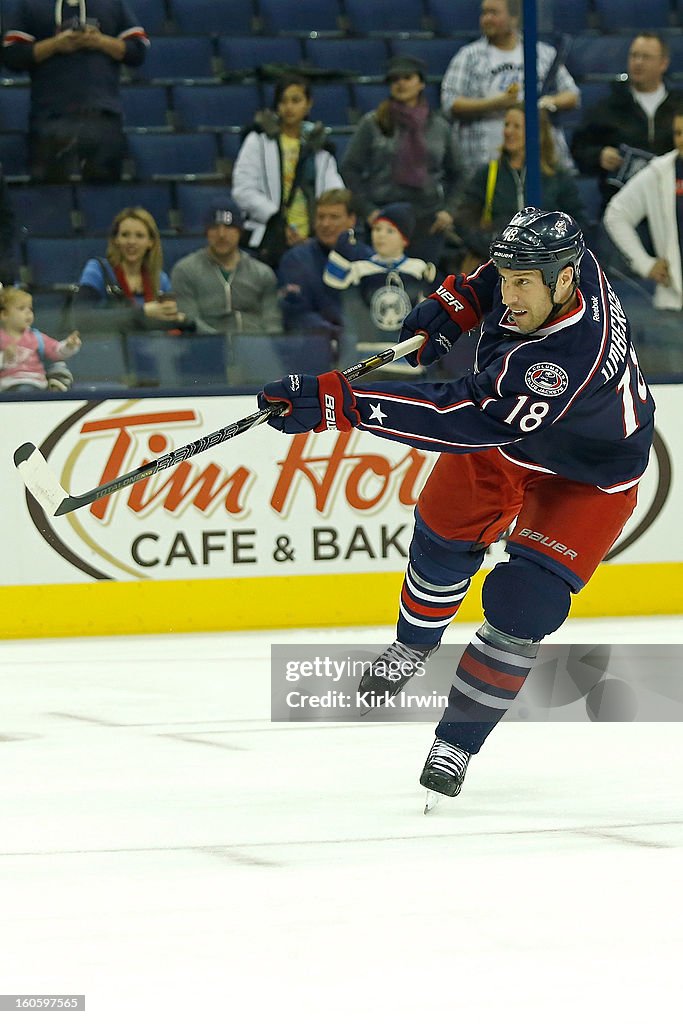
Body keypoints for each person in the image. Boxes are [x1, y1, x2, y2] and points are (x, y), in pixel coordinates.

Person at [256, 207, 655, 805]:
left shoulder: (562, 359)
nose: (512, 292)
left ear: (564, 281)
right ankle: (413, 646)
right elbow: (491, 279)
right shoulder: (568, 263)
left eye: (525, 283)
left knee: (526, 605)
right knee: (441, 539)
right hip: (511, 440)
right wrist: (454, 304)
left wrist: (344, 403)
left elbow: (462, 416)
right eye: (510, 276)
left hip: (586, 475)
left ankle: (457, 744)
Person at [2, 0, 148, 183]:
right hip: (50, 117)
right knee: (51, 195)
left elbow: (138, 51)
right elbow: (11, 56)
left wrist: (100, 41)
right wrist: (55, 45)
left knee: (104, 196)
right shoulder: (31, 5)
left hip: (102, 115)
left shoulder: (112, 4)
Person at [341, 54, 461, 265]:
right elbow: (349, 168)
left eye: (407, 77)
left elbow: (459, 172)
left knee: (424, 287)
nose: (401, 83)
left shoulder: (439, 126)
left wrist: (448, 211)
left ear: (421, 83)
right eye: (395, 79)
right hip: (385, 218)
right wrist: (368, 210)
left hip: (427, 221)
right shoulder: (373, 123)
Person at [441, 0, 579, 172]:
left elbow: (572, 95)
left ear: (514, 18)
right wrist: (496, 103)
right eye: (484, 13)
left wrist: (541, 103)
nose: (486, 19)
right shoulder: (468, 56)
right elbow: (450, 102)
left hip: (537, 162)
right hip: (483, 161)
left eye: (493, 13)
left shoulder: (541, 53)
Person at [231, 73, 344, 269]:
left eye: (296, 100)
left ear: (308, 104)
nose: (289, 107)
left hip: (313, 238)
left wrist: (323, 226)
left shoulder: (319, 145)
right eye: (283, 101)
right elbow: (243, 189)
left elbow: (334, 193)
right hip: (269, 237)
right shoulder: (258, 140)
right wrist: (276, 221)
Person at [454, 103, 585, 272]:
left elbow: (577, 221)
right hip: (496, 266)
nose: (508, 131)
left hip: (546, 267)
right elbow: (464, 219)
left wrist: (551, 250)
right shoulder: (488, 173)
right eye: (507, 125)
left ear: (536, 132)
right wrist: (494, 246)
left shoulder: (558, 177)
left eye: (517, 126)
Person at [602, 108, 683, 374]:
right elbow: (616, 214)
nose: (682, 139)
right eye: (679, 133)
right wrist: (645, 263)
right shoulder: (661, 172)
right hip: (674, 305)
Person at [571, 33, 683, 210]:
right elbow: (579, 148)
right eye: (634, 56)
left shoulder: (679, 106)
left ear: (663, 63)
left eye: (646, 57)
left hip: (673, 205)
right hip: (621, 204)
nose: (638, 62)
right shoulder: (607, 107)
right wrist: (599, 155)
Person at [323, 202, 436, 367]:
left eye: (390, 231)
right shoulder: (361, 268)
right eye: (377, 229)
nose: (381, 235)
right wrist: (342, 250)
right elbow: (332, 282)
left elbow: (427, 310)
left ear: (404, 239)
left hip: (406, 357)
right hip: (367, 357)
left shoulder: (418, 268)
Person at [171, 201, 283, 336]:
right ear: (206, 232)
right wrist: (222, 343)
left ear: (239, 231)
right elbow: (189, 320)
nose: (222, 234)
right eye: (214, 227)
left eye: (229, 227)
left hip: (256, 347)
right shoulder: (185, 270)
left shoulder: (262, 273)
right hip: (205, 348)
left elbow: (272, 322)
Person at [76, 206, 186, 330]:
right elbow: (81, 319)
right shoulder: (97, 270)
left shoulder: (160, 278)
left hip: (151, 346)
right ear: (116, 239)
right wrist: (142, 313)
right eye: (125, 235)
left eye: (139, 236)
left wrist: (177, 319)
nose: (131, 242)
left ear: (151, 242)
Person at [277, 188, 357, 341]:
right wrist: (336, 334)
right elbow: (295, 315)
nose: (325, 224)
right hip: (312, 346)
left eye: (334, 217)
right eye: (321, 217)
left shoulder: (367, 258)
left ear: (351, 220)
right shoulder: (296, 259)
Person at [0, 286, 81, 393]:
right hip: (8, 386)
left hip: (36, 384)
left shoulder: (36, 337)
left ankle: (55, 383)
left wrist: (69, 345)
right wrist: (3, 357)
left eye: (30, 309)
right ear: (4, 314)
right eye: (21, 308)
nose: (28, 313)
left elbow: (56, 351)